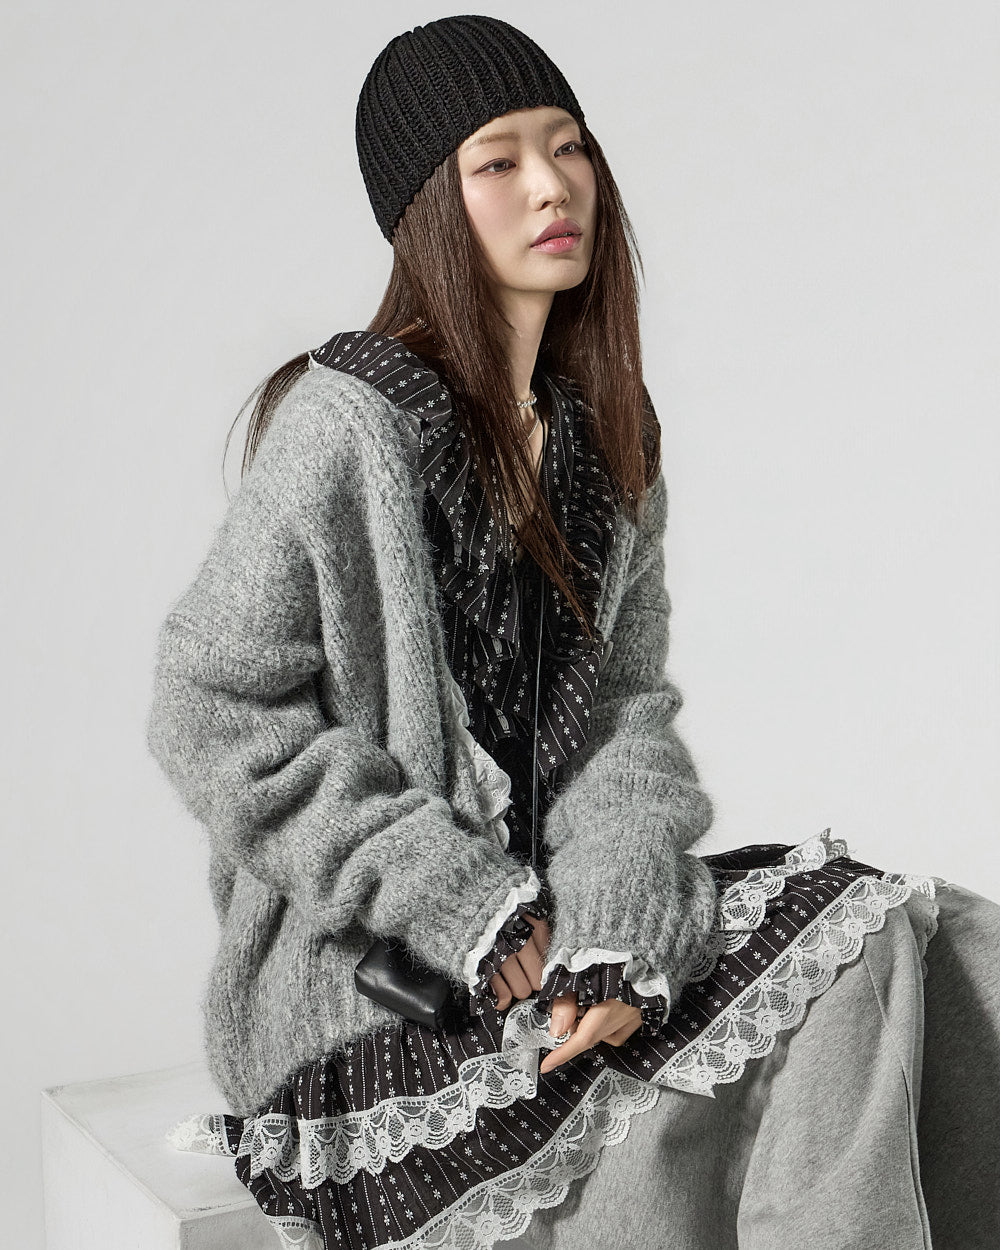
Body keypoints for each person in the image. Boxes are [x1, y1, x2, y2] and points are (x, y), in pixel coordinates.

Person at [147, 15, 1000, 1250]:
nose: (553, 186)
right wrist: (457, 898)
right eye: (498, 161)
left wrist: (615, 934)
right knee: (854, 947)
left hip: (553, 937)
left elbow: (619, 719)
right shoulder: (343, 423)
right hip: (375, 993)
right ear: (428, 208)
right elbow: (211, 708)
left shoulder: (607, 429)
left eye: (570, 147)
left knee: (942, 948)